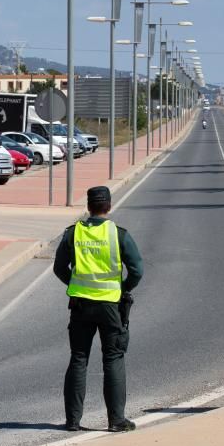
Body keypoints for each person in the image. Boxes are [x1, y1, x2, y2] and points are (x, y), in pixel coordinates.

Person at [54, 185, 143, 432]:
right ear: (109, 206)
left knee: (79, 358)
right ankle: (116, 420)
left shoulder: (74, 234)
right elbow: (137, 270)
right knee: (113, 358)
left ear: (88, 207)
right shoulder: (119, 234)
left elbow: (59, 268)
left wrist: (75, 283)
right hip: (110, 305)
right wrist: (123, 288)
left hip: (81, 304)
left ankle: (72, 421)